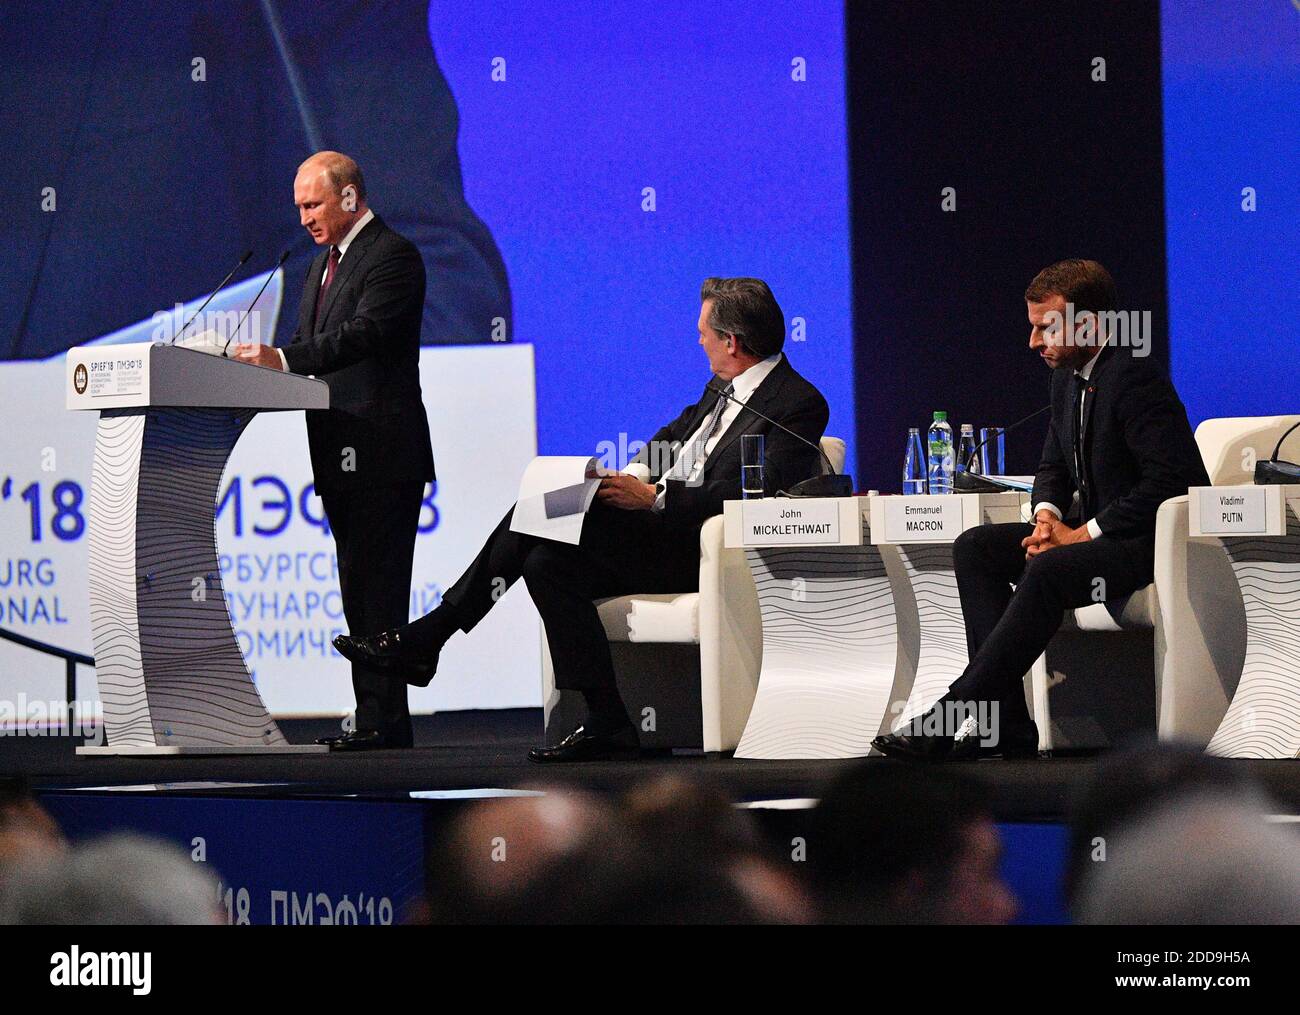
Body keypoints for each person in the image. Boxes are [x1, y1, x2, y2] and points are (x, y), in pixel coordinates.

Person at [335, 277, 830, 762]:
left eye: (705, 332)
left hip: (699, 550)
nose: (698, 341)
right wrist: (628, 477)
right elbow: (671, 437)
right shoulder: (720, 387)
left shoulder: (797, 404)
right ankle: (608, 721)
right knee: (547, 561)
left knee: (538, 511)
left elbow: (755, 491)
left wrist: (654, 497)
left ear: (732, 341)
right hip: (651, 535)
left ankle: (430, 637)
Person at [874, 259, 1209, 760]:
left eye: (1045, 327)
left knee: (1050, 569)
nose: (1034, 342)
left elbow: (1174, 480)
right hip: (1088, 539)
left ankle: (952, 713)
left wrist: (1083, 533)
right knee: (977, 547)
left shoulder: (1135, 378)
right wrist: (1047, 517)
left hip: (1139, 543)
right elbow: (1052, 466)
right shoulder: (1066, 380)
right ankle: (1007, 725)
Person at [235, 151, 435, 751]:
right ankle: (373, 714)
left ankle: (384, 720)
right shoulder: (323, 265)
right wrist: (259, 366)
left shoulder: (393, 256)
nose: (304, 218)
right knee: (357, 587)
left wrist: (286, 360)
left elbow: (366, 334)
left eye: (313, 203)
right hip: (338, 449)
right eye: (298, 207)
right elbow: (303, 343)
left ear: (349, 196)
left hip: (381, 449)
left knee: (380, 588)